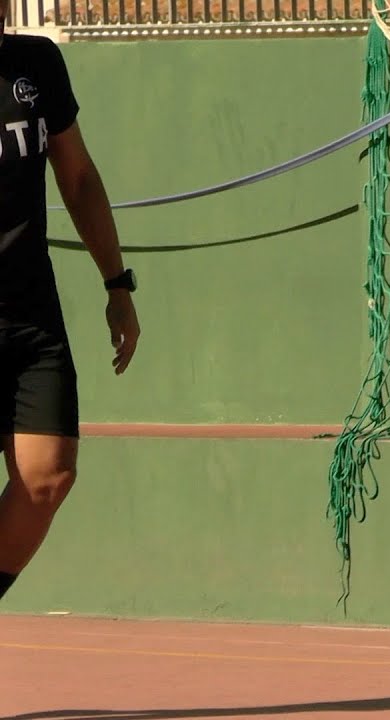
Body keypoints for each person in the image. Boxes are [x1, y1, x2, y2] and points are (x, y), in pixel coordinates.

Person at [0, 15, 141, 604]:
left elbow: (78, 177)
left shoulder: (37, 63)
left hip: (32, 316)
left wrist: (117, 283)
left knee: (48, 476)